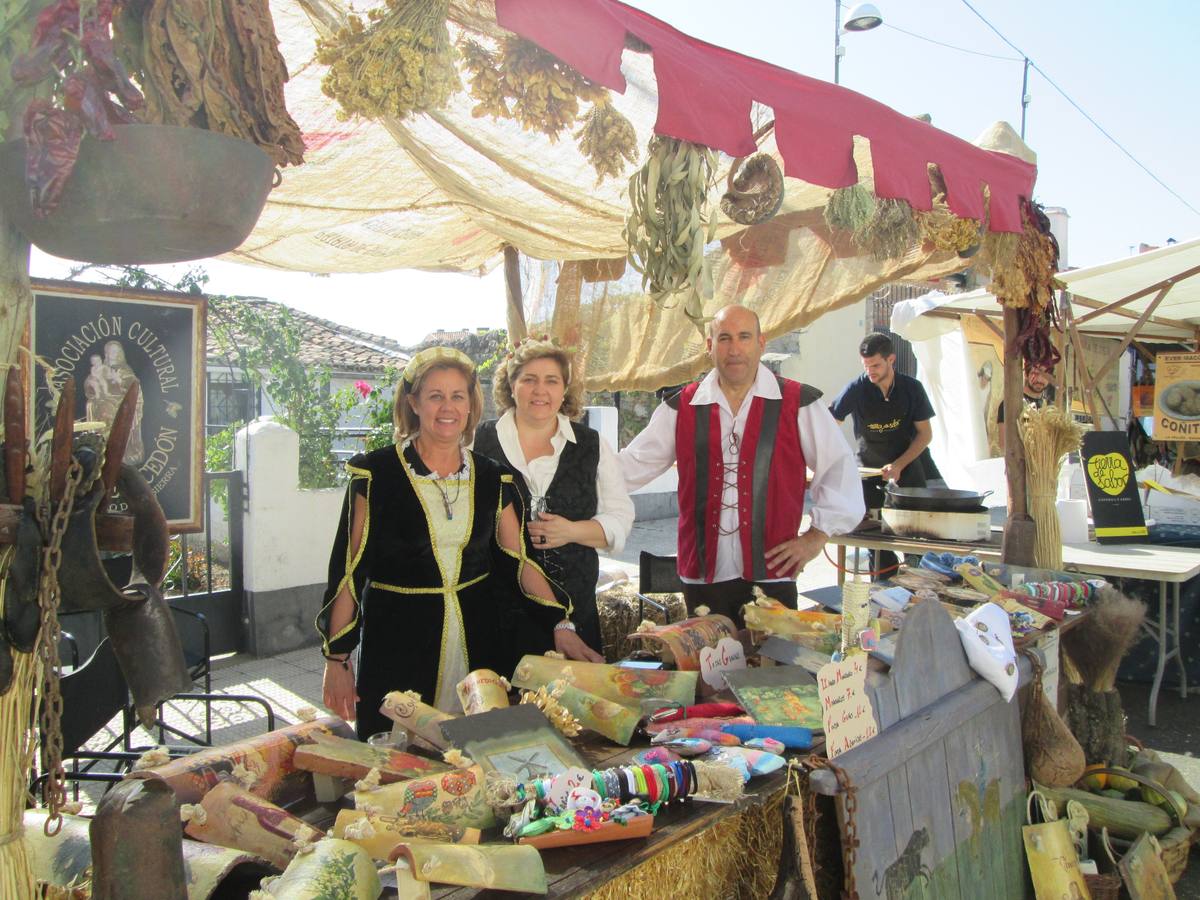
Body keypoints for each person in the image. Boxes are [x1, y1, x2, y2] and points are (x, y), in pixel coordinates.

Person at [317, 347, 597, 738]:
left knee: (478, 750)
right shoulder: (376, 475)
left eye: (457, 396)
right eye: (435, 396)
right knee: (400, 756)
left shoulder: (493, 478)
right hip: (399, 643)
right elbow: (349, 573)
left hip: (478, 644)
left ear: (470, 405)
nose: (447, 407)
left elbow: (520, 563)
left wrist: (561, 622)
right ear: (414, 402)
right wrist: (337, 658)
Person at [619, 305, 864, 625]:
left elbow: (839, 469)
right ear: (710, 347)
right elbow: (632, 465)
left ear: (761, 343)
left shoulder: (798, 402)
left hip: (774, 574)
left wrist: (815, 537)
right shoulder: (681, 407)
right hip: (702, 578)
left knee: (772, 657)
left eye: (744, 337)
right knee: (706, 655)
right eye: (724, 338)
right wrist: (567, 462)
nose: (734, 349)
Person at [473, 337, 634, 655]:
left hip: (576, 612)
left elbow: (620, 518)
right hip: (498, 613)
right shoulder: (478, 442)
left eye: (551, 381)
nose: (540, 390)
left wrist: (571, 531)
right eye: (529, 379)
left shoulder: (591, 445)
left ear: (564, 390)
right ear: (511, 385)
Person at [830, 332, 936, 576]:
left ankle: (917, 581)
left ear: (891, 360)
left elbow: (925, 435)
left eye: (876, 365)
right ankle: (883, 584)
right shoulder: (856, 389)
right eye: (866, 366)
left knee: (914, 537)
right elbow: (829, 424)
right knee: (876, 542)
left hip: (907, 467)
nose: (870, 371)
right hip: (868, 470)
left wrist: (898, 465)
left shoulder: (912, 388)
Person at [997, 362, 1054, 449]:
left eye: (1045, 374)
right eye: (1035, 373)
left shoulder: (1050, 408)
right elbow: (1003, 445)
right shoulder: (1010, 405)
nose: (1039, 379)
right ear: (1026, 374)